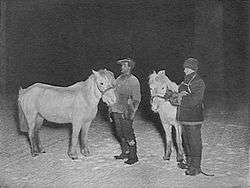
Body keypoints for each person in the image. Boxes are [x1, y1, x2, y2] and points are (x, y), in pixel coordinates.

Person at [176, 58, 206, 176]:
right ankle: (189, 163)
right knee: (187, 141)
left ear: (192, 68)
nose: (184, 70)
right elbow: (181, 91)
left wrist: (180, 98)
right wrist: (179, 95)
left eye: (186, 68)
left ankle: (196, 167)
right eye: (184, 67)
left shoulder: (198, 82)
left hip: (194, 118)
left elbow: (195, 100)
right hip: (185, 117)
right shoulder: (186, 80)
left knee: (194, 142)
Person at [109, 58, 141, 165]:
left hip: (125, 112)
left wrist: (130, 112)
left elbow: (137, 99)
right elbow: (112, 94)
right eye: (121, 65)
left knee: (128, 133)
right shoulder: (118, 79)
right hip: (116, 110)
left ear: (129, 67)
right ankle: (125, 152)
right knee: (119, 133)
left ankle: (133, 155)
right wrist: (110, 109)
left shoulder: (134, 80)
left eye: (124, 65)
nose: (122, 67)